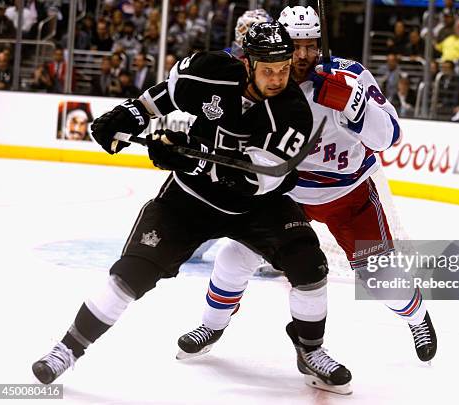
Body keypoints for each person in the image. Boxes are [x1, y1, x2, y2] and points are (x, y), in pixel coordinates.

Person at [31, 21, 352, 394]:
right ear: (247, 62)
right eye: (268, 70)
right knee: (130, 274)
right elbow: (164, 96)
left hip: (255, 206)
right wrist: (128, 116)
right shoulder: (210, 71)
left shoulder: (294, 112)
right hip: (189, 200)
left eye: (283, 69)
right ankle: (67, 350)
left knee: (308, 262)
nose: (278, 78)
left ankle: (310, 350)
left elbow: (255, 178)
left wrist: (189, 158)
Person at [177, 6, 437, 375]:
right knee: (234, 255)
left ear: (321, 44)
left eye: (310, 46)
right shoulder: (264, 77)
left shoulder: (350, 76)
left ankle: (418, 317)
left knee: (382, 280)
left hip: (348, 194)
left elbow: (389, 136)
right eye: (295, 45)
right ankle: (212, 324)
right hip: (285, 194)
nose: (302, 56)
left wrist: (354, 104)